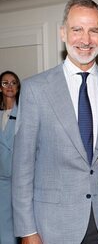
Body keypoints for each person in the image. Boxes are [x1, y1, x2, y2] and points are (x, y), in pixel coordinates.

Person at [12, 0, 98, 244]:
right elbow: (22, 166)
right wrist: (27, 232)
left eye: (93, 30)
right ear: (62, 33)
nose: (85, 40)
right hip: (50, 227)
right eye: (77, 29)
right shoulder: (36, 89)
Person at [0, 70, 20, 244]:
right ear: (0, 88)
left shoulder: (26, 113)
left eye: (13, 82)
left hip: (19, 178)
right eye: (5, 83)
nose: (9, 86)